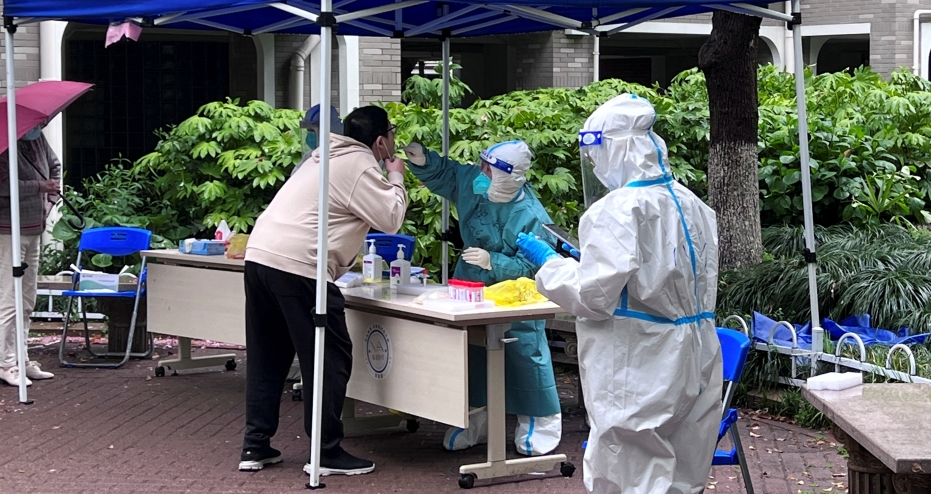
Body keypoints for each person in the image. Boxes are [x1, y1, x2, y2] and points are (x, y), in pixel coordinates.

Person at [519, 94, 723, 494]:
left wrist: (550, 263)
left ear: (617, 148)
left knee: (630, 473)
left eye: (597, 152)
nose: (594, 163)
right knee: (684, 471)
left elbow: (593, 297)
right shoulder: (693, 204)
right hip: (696, 351)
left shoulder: (614, 211)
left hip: (641, 360)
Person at [239, 105, 407, 477]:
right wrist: (396, 177)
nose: (395, 142)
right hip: (301, 265)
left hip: (261, 257)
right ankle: (325, 450)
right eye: (392, 134)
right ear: (380, 141)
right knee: (329, 356)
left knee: (268, 353)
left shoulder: (323, 157)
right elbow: (390, 220)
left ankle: (255, 446)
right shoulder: (360, 164)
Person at [403, 139, 562, 455]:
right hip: (471, 289)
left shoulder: (530, 214)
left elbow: (537, 268)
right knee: (472, 353)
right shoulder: (474, 183)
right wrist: (423, 160)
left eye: (488, 169)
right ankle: (477, 420)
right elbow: (448, 174)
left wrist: (495, 262)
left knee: (523, 354)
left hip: (516, 299)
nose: (481, 172)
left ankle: (540, 424)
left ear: (508, 176)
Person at [0, 125, 60, 388]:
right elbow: (3, 184)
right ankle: (6, 362)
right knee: (8, 300)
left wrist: (50, 198)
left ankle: (22, 358)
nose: (39, 128)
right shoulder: (3, 145)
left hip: (35, 227)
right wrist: (39, 186)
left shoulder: (38, 140)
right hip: (8, 231)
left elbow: (55, 166)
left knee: (26, 298)